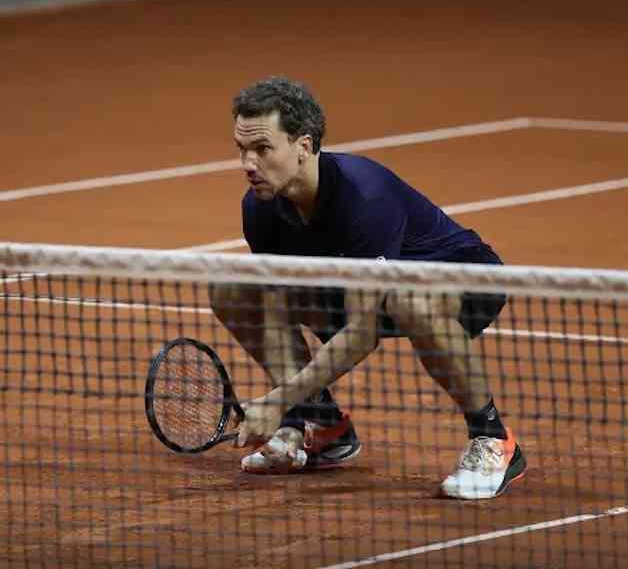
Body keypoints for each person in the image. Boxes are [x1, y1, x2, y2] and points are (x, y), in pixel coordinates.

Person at [209, 76, 525, 500]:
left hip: (460, 278)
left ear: (303, 147)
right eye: (242, 149)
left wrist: (276, 399)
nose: (248, 163)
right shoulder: (261, 208)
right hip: (363, 287)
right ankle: (323, 425)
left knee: (409, 299)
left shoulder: (364, 197)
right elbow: (276, 305)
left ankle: (492, 437)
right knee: (234, 288)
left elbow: (361, 334)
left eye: (263, 149)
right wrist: (290, 411)